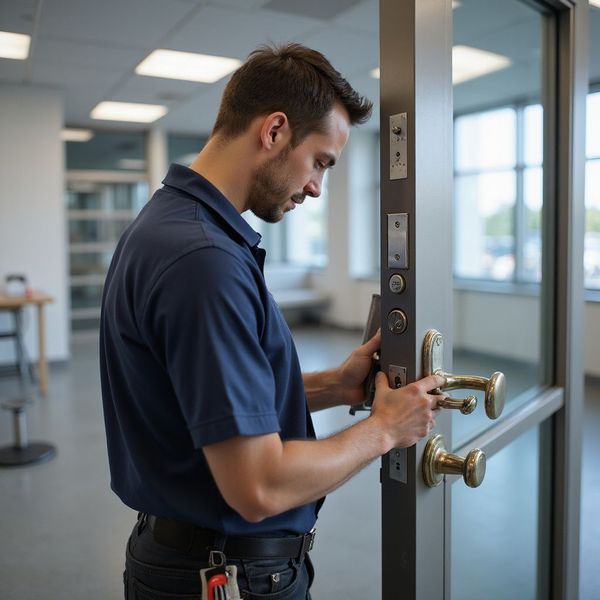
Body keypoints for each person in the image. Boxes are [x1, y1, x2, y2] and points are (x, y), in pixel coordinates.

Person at [100, 43, 443, 599]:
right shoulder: (204, 261)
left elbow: (210, 407)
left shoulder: (168, 225)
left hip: (186, 559)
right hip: (224, 575)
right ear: (275, 130)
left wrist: (336, 385)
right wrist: (384, 430)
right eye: (320, 163)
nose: (315, 187)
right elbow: (257, 485)